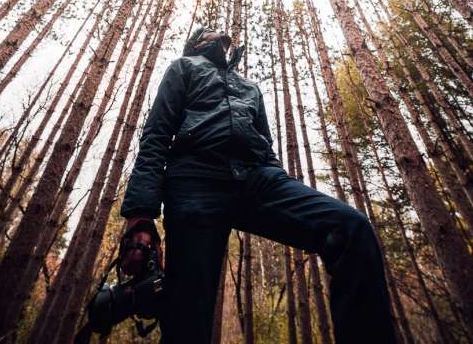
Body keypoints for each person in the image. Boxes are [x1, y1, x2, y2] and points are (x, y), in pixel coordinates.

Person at [120, 26, 397, 344]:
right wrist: (141, 214)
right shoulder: (183, 67)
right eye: (210, 35)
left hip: (257, 179)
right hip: (195, 181)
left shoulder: (249, 87)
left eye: (223, 38)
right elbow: (156, 135)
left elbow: (264, 142)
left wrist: (277, 178)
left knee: (350, 229)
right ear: (196, 44)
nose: (220, 39)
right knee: (187, 313)